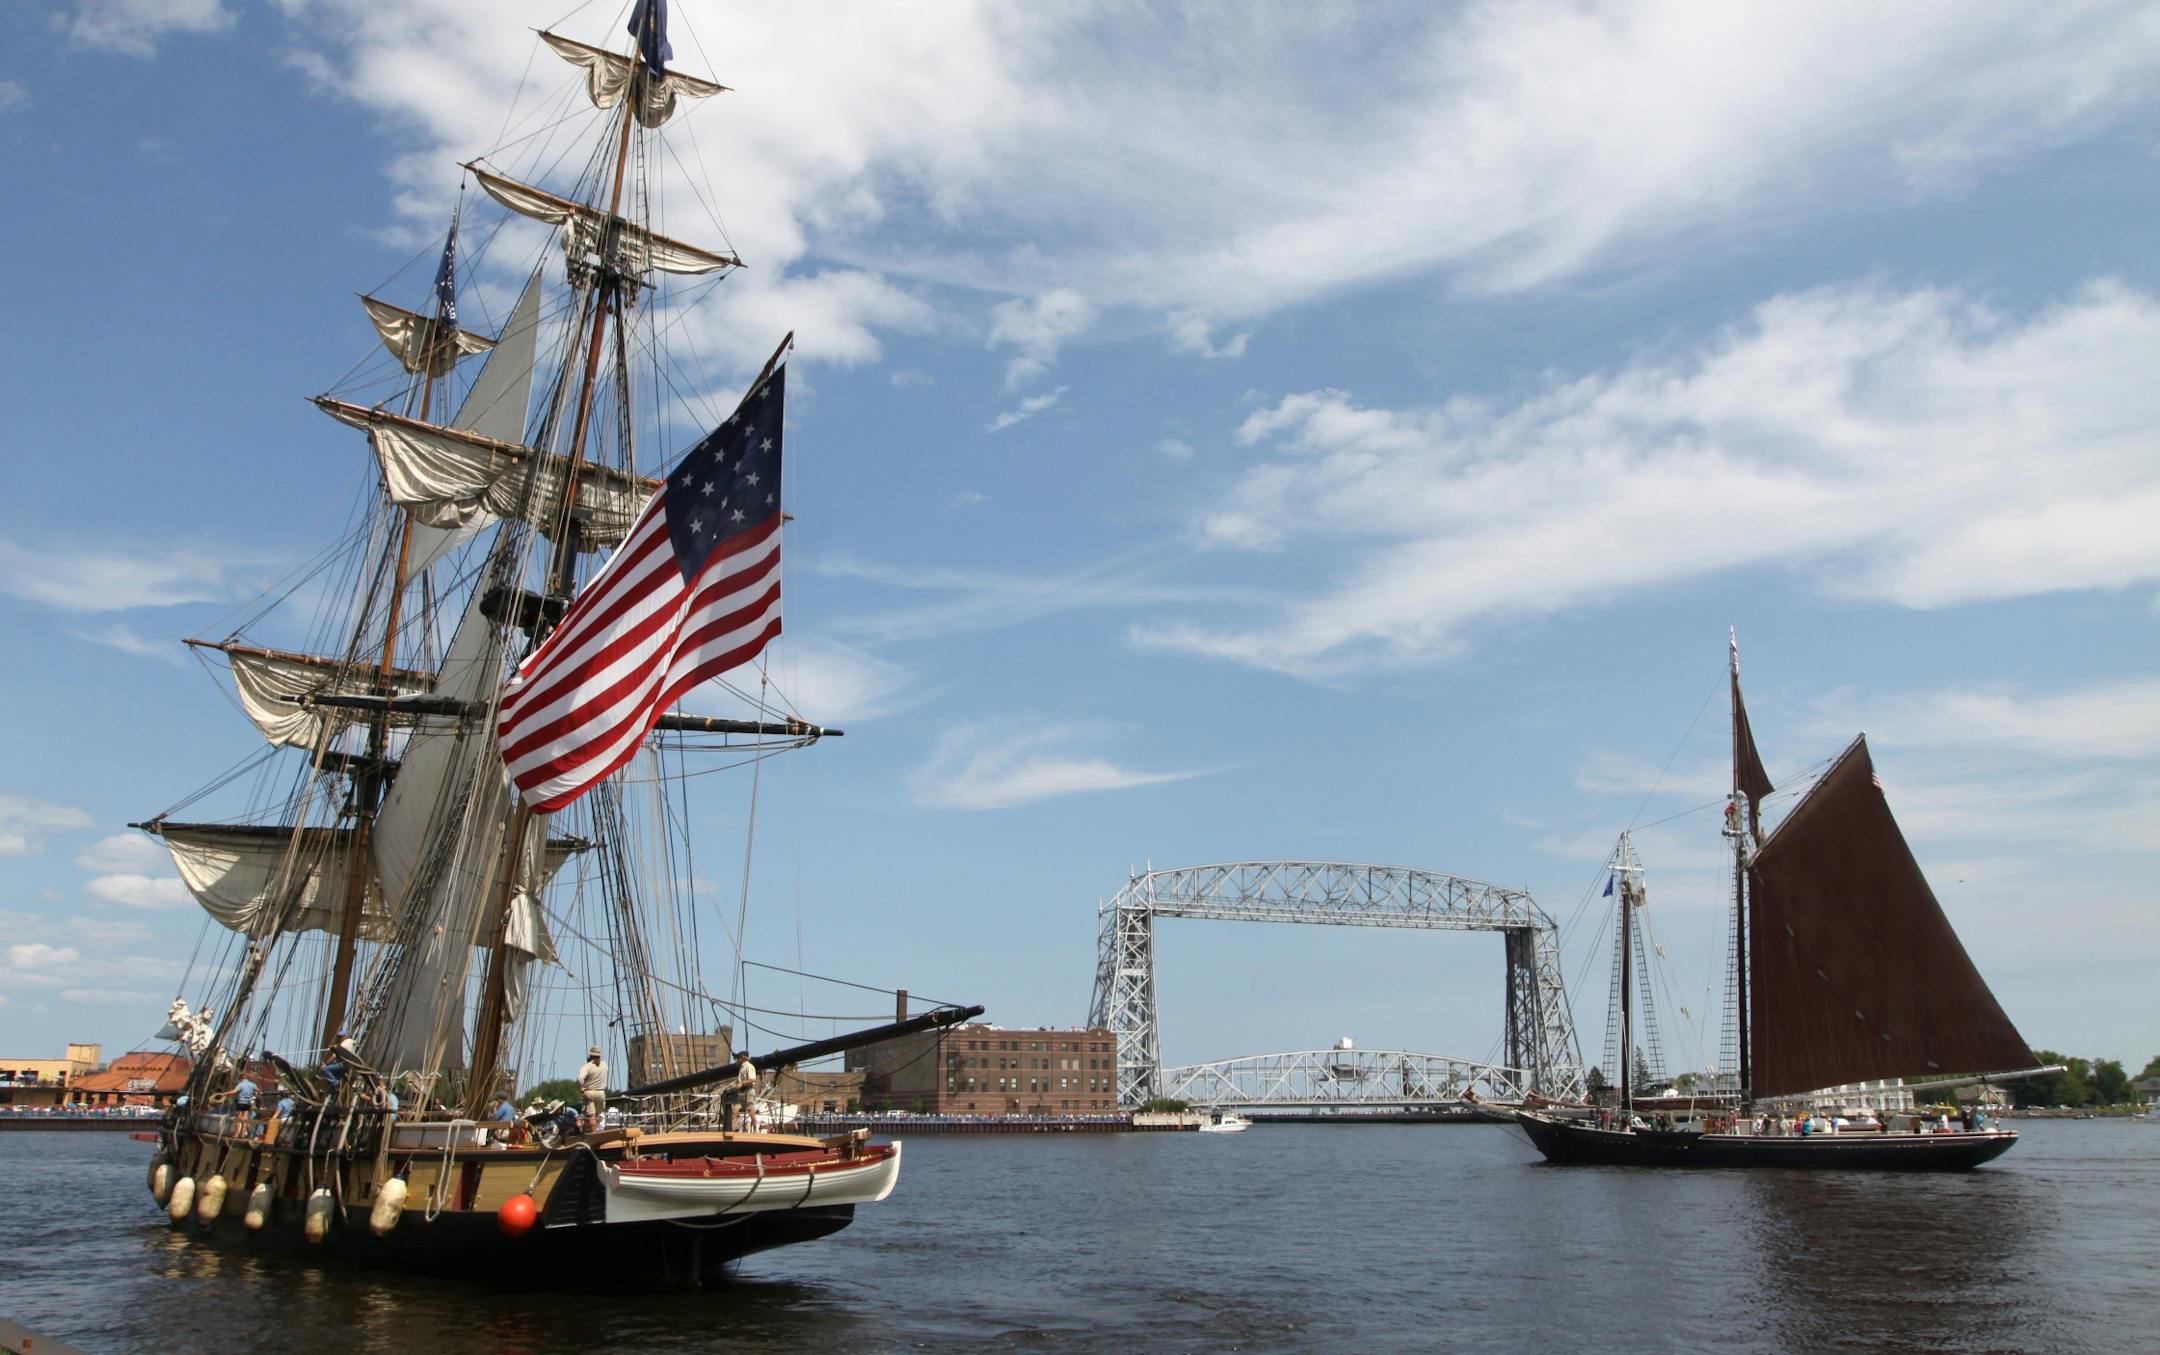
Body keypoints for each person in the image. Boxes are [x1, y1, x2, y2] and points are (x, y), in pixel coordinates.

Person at [577, 1046, 608, 1132]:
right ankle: (598, 1130)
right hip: (601, 1093)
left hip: (590, 1092)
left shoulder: (587, 1067)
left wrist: (581, 1089)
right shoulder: (605, 1065)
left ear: (590, 1055)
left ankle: (593, 1133)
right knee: (599, 1114)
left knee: (591, 1115)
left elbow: (580, 1079)